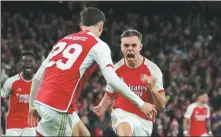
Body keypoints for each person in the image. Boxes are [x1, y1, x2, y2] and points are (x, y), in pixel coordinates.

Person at [28, 7, 156, 136]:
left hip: (41, 101)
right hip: (58, 106)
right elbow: (112, 80)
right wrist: (140, 103)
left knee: (84, 134)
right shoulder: (98, 45)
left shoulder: (63, 40)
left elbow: (38, 77)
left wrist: (32, 105)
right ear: (101, 26)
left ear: (81, 25)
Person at [93, 29, 167, 136]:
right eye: (126, 45)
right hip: (121, 115)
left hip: (144, 120)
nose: (130, 48)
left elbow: (161, 105)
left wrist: (153, 89)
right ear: (121, 47)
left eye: (134, 45)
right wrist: (102, 106)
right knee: (125, 130)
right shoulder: (115, 70)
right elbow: (109, 97)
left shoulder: (153, 70)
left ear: (140, 47)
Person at [1, 51, 36, 136]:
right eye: (25, 61)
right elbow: (2, 97)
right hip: (13, 125)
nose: (28, 64)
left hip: (30, 124)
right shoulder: (11, 81)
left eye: (30, 61)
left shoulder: (39, 82)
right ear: (21, 64)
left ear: (35, 64)